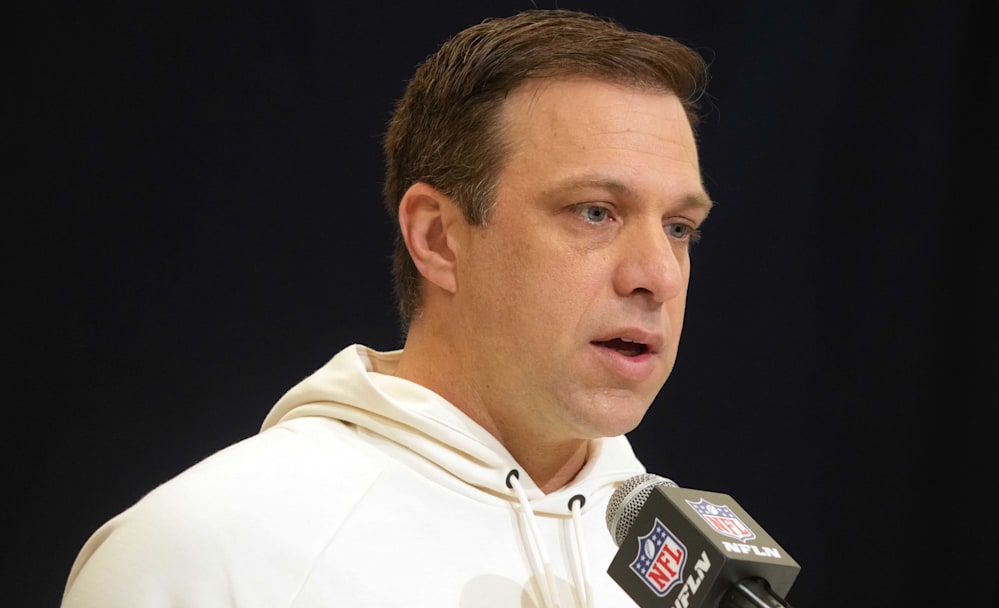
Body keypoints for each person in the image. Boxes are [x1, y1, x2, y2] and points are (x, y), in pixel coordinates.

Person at [60, 8, 712, 607]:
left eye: (679, 227)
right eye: (595, 212)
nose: (657, 274)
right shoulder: (206, 554)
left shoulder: (693, 567)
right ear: (438, 238)